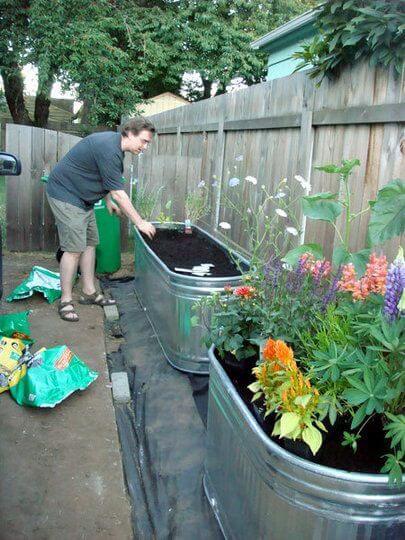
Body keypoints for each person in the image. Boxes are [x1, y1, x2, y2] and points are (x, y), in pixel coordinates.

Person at [46, 116, 156, 322]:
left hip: (83, 199)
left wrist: (106, 200)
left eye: (148, 142)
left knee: (90, 244)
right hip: (66, 195)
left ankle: (89, 292)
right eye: (144, 141)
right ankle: (66, 300)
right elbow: (119, 193)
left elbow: (100, 174)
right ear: (130, 134)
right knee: (73, 250)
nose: (145, 146)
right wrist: (139, 222)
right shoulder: (109, 149)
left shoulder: (115, 148)